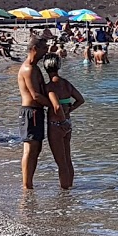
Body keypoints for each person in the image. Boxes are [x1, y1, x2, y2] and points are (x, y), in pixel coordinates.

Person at [41, 55, 84, 191]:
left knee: (61, 163)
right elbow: (80, 100)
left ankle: (65, 193)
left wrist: (62, 119)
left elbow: (57, 106)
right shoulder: (66, 83)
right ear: (58, 66)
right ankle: (70, 187)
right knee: (68, 159)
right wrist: (70, 109)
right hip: (67, 124)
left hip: (56, 124)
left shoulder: (50, 86)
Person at [17, 37, 53, 189]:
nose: (47, 51)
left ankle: (29, 182)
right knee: (30, 148)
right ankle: (27, 185)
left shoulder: (36, 68)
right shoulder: (28, 69)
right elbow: (35, 95)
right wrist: (54, 106)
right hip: (30, 112)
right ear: (34, 49)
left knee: (36, 148)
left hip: (36, 112)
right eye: (44, 48)